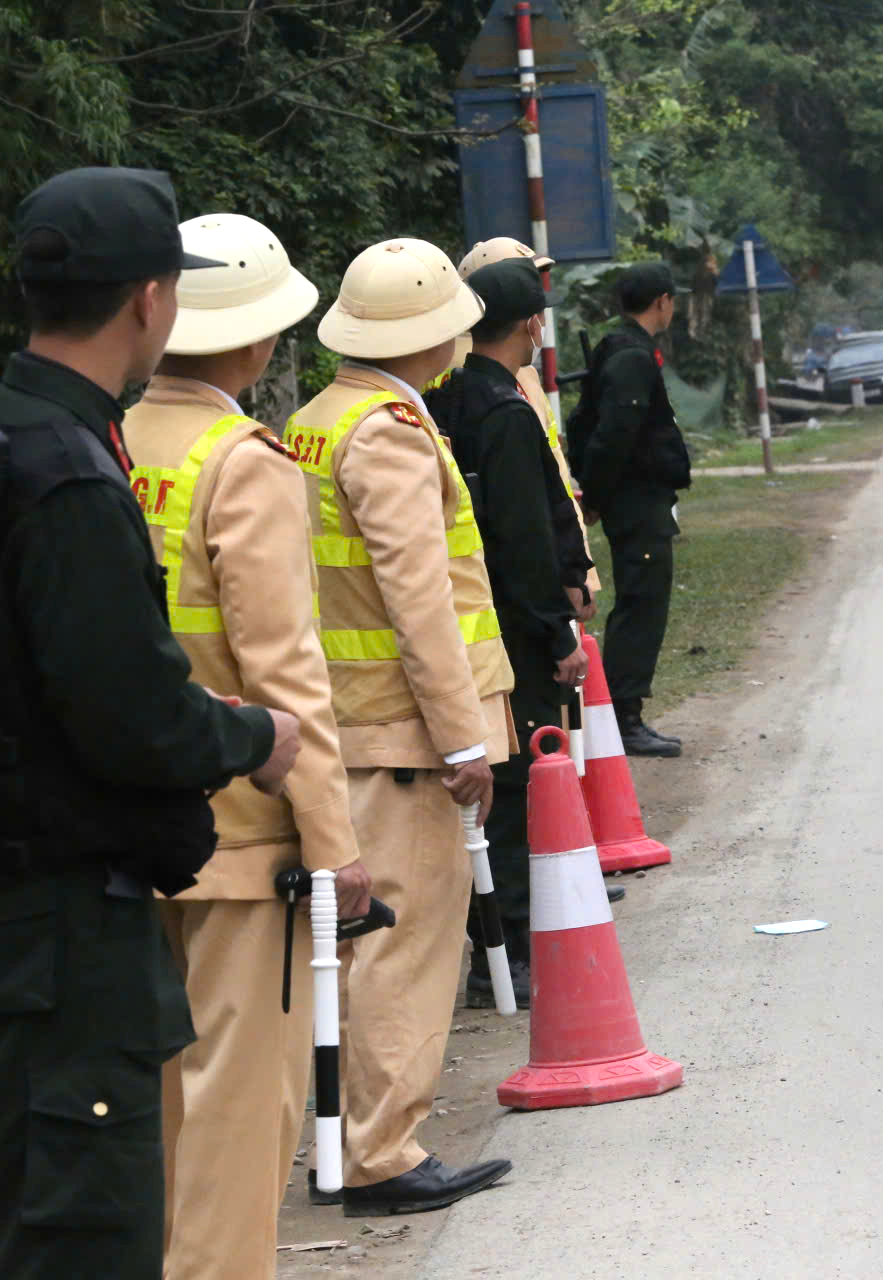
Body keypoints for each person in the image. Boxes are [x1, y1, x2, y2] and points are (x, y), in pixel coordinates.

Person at [0, 168, 301, 1277]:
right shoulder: (68, 474)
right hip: (62, 936)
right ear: (149, 300)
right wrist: (250, 740)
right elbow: (127, 718)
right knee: (83, 1232)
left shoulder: (28, 434)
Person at [120, 212, 373, 1279]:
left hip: (129, 822)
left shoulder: (109, 440)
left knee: (155, 1096)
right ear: (263, 342)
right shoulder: (244, 462)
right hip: (242, 832)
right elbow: (283, 670)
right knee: (241, 1099)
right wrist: (333, 840)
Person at [285, 237, 514, 1216]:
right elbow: (419, 600)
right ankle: (383, 1150)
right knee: (404, 938)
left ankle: (341, 1142)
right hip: (402, 733)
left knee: (345, 943)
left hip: (342, 716)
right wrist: (465, 738)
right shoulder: (387, 432)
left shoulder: (312, 421)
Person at [427, 259, 589, 1008]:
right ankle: (513, 954)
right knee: (518, 790)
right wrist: (556, 636)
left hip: (450, 624)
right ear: (531, 324)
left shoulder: (443, 401)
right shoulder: (506, 414)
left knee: (476, 800)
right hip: (510, 632)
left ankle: (488, 945)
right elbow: (524, 542)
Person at [436, 237, 601, 625]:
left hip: (549, 566)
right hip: (514, 582)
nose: (538, 303)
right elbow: (519, 519)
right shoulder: (463, 375)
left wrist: (581, 573)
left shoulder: (521, 370)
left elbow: (552, 470)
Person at [566, 262, 692, 758]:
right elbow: (613, 435)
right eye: (673, 301)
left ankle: (626, 713)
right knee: (642, 602)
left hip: (637, 498)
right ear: (662, 301)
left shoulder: (619, 348)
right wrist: (595, 495)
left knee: (644, 600)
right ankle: (625, 716)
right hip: (635, 501)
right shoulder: (631, 357)